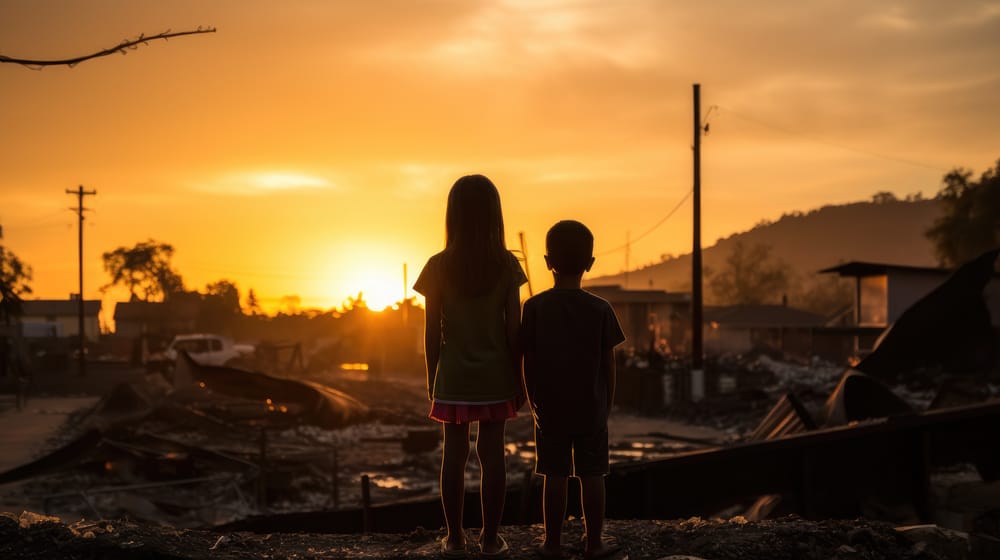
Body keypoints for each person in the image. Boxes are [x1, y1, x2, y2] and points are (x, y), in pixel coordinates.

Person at [414, 174, 527, 559]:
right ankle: (491, 540)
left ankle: (455, 539)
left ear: (453, 215)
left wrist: (433, 378)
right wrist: (520, 378)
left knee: (454, 456)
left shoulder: (437, 266)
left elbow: (431, 333)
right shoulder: (507, 265)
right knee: (493, 456)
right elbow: (515, 329)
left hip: (455, 376)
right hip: (497, 375)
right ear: (495, 215)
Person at [521, 220, 626, 560]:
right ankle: (593, 543)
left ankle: (551, 544)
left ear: (548, 261)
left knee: (554, 474)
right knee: (593, 474)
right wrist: (605, 405)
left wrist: (532, 401)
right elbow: (608, 365)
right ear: (590, 263)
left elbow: (529, 363)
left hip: (549, 407)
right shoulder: (600, 309)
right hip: (591, 408)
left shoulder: (534, 308)